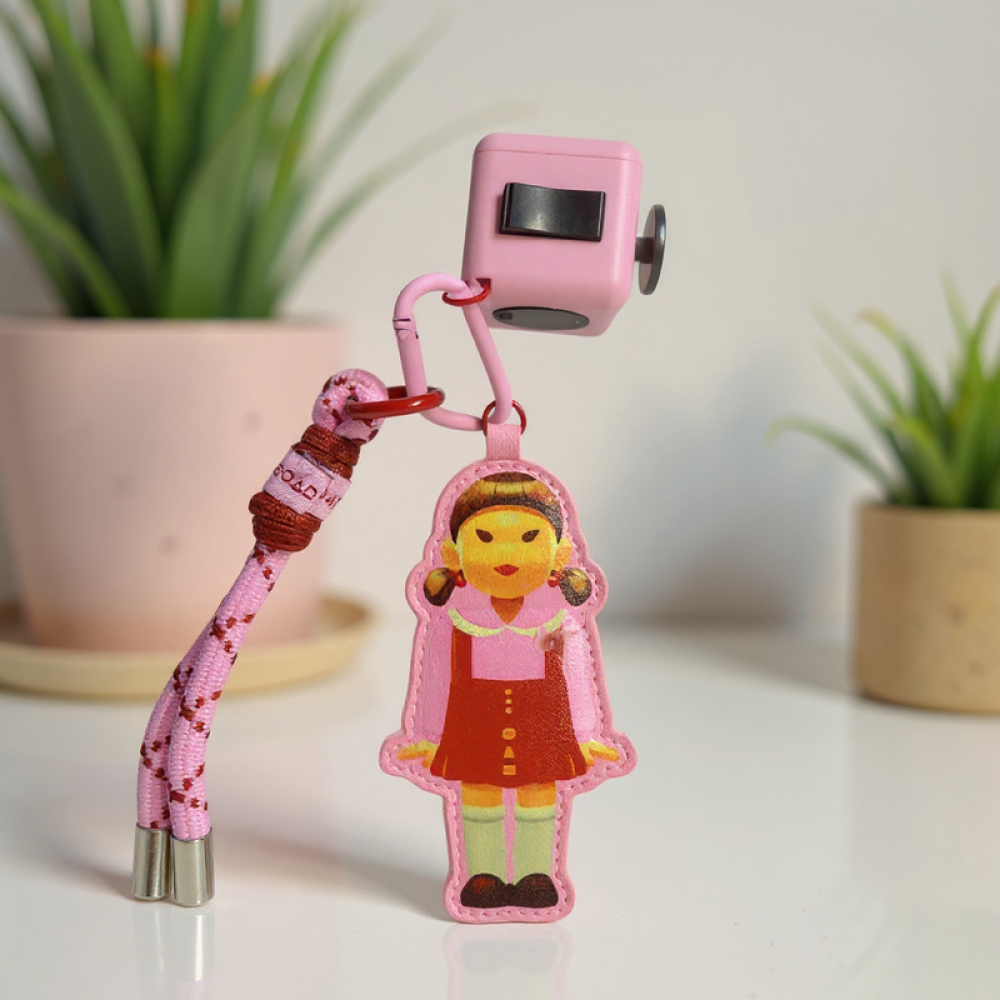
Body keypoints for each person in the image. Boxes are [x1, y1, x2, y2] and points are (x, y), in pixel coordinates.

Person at [383, 470, 633, 916]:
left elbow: (577, 678)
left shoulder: (558, 618)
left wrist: (586, 736)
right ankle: (484, 876)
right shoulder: (454, 619)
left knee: (540, 793)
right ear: (454, 553)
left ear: (558, 552)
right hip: (471, 722)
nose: (506, 554)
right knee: (478, 793)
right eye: (484, 537)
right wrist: (428, 736)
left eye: (528, 537)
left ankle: (536, 876)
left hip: (545, 721)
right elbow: (438, 681)